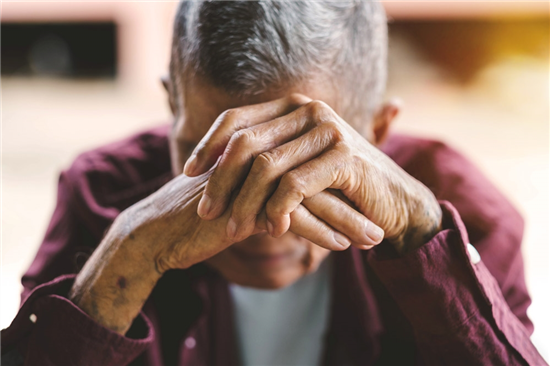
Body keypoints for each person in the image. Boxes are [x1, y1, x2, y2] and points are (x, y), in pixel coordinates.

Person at [0, 1, 547, 365]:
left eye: (305, 165)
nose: (259, 223)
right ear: (172, 108)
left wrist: (423, 238)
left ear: (375, 133)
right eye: (213, 160)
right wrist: (125, 257)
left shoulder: (462, 215)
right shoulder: (103, 196)